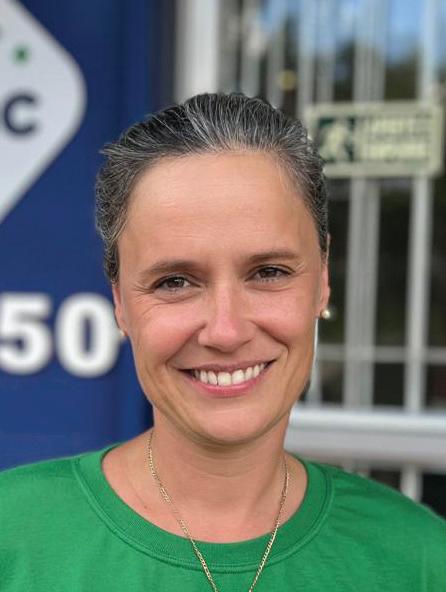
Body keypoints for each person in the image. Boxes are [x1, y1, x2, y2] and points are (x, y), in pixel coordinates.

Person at [1, 93, 445, 591]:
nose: (226, 331)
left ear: (322, 279)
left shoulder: (421, 561)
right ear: (120, 302)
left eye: (269, 272)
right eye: (174, 282)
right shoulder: (12, 540)